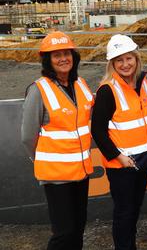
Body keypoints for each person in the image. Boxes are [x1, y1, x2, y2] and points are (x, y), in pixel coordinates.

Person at [21, 31, 94, 250]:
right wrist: (42, 160)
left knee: (78, 228)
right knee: (64, 233)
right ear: (48, 61)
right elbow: (27, 136)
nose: (63, 59)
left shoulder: (81, 84)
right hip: (57, 175)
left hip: (81, 172)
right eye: (56, 55)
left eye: (67, 53)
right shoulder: (39, 90)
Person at [91, 34, 147, 250]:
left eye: (129, 58)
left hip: (143, 160)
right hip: (122, 165)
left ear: (136, 59)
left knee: (134, 209)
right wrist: (119, 157)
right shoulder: (107, 90)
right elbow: (98, 131)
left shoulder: (144, 83)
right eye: (119, 60)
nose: (125, 64)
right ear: (112, 64)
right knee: (124, 212)